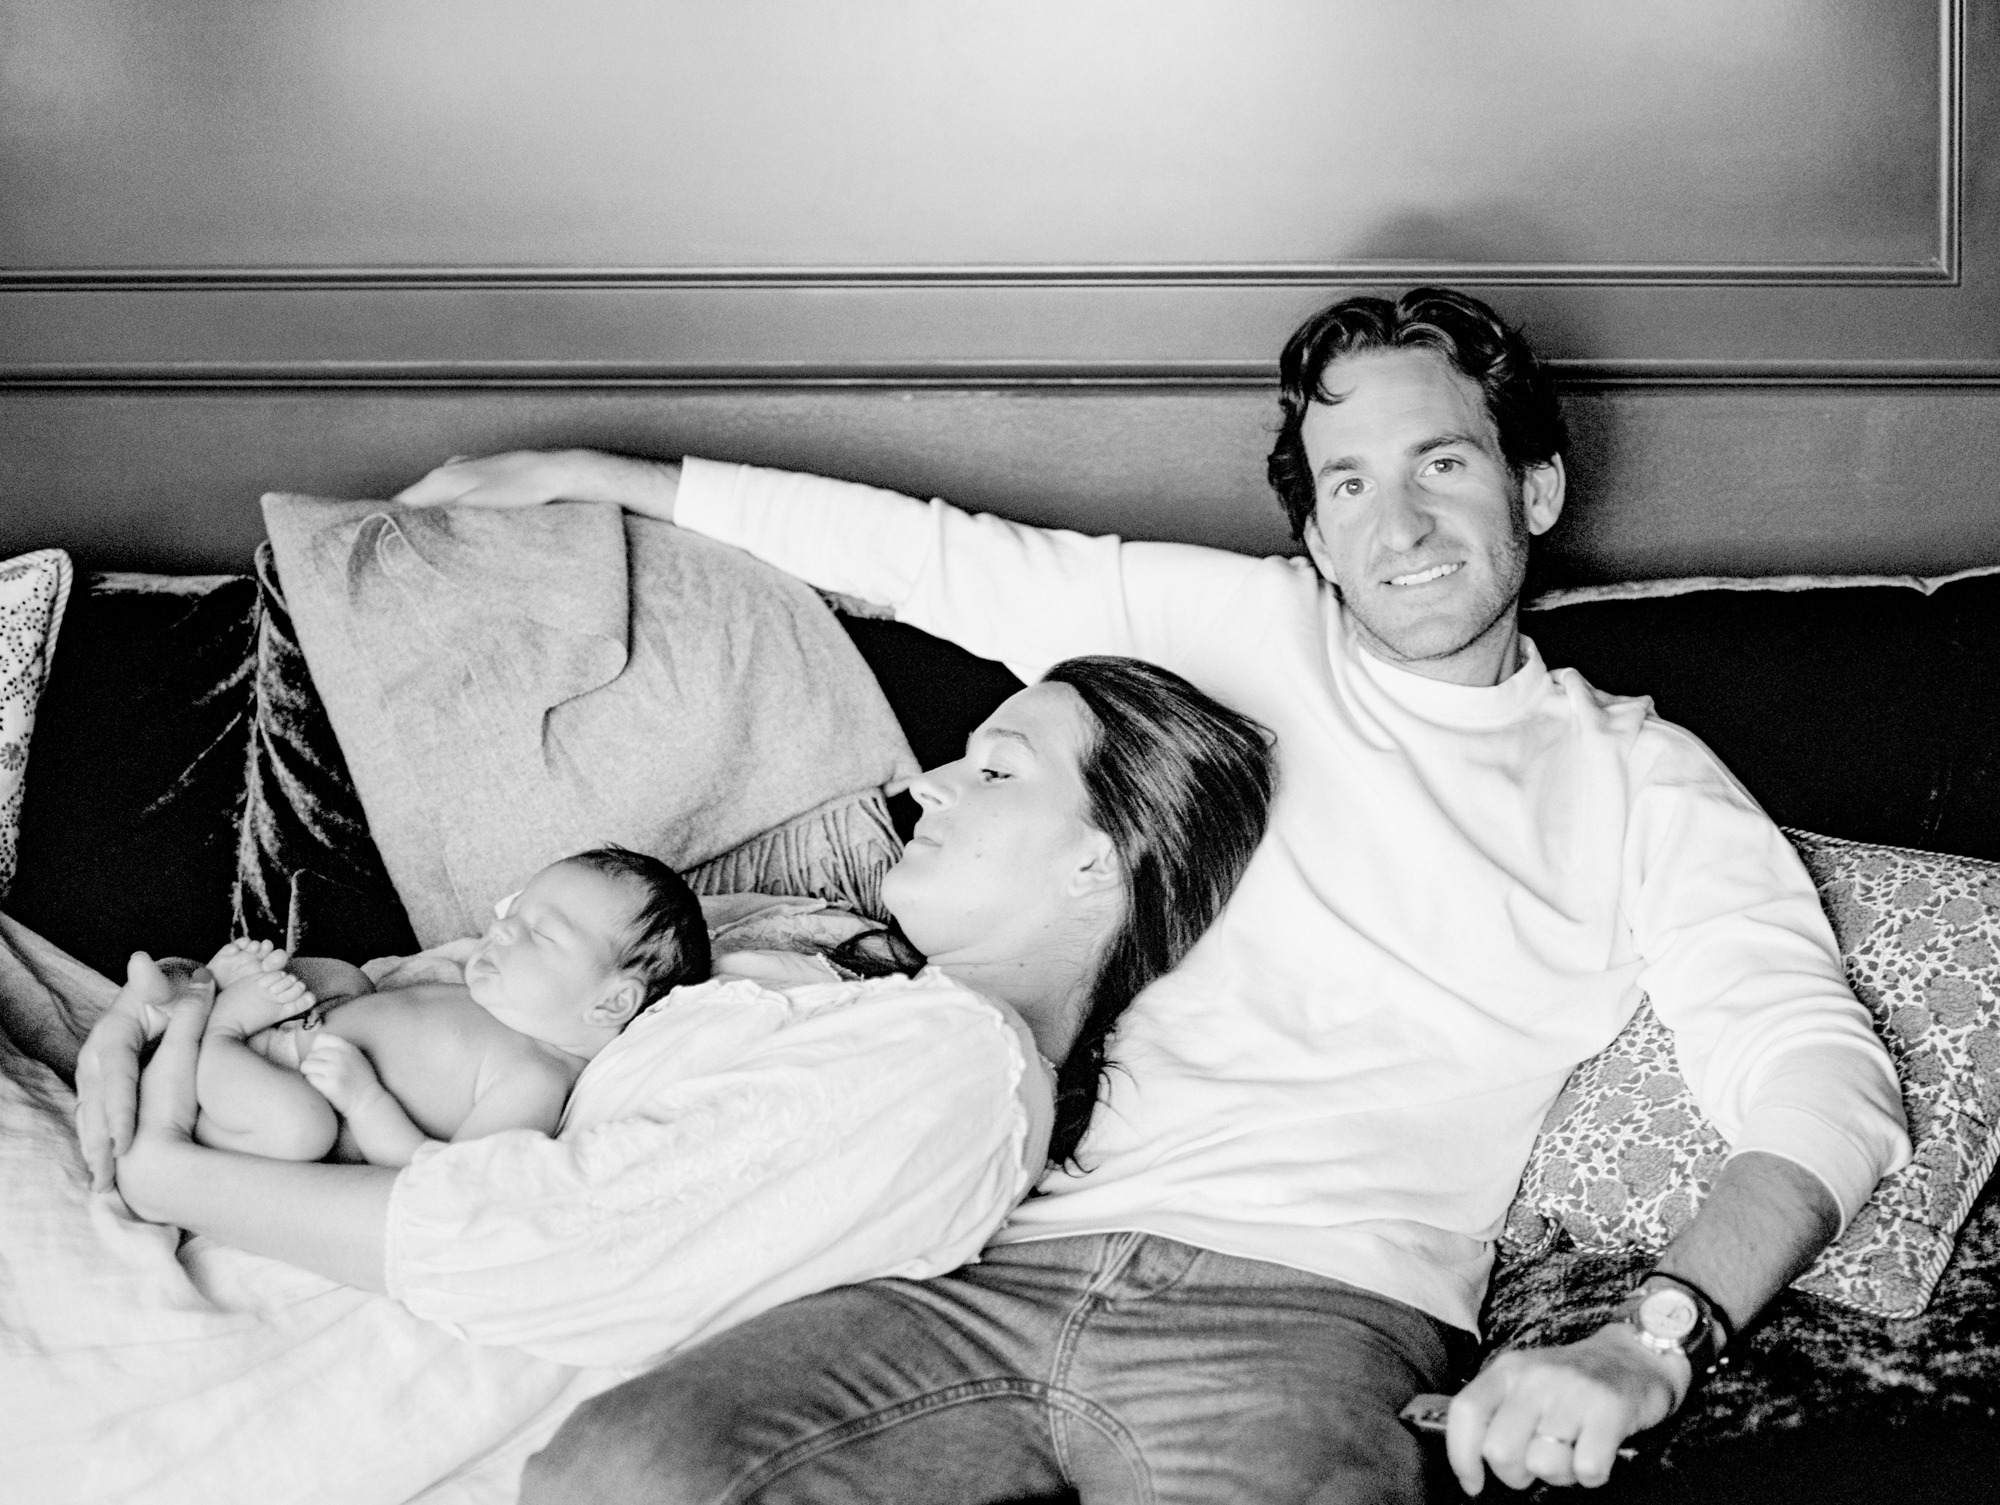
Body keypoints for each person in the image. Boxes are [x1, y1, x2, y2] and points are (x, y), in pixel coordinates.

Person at [392, 285, 1913, 1502]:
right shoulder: (1239, 624)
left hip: (1317, 1315)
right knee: (613, 1468)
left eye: (1443, 464)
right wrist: (593, 475)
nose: (1397, 524)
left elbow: (1819, 1080)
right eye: (1348, 483)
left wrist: (1650, 1341)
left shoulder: (1643, 779)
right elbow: (930, 559)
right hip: (986, 1262)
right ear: (1311, 530)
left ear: (1536, 484)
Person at [64, 654, 1274, 1495]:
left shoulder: (954, 1068)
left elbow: (549, 1242)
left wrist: (170, 1164)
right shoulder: (815, 962)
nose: (930, 783)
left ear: (1096, 864)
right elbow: (441, 986)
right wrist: (168, 1017)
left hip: (289, 1322)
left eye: (997, 770)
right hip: (232, 1175)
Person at [191, 846, 709, 1167]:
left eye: (542, 932)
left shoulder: (538, 1077)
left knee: (301, 1129)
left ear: (612, 1002)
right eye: (514, 911)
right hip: (294, 1022)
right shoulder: (489, 997)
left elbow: (448, 1175)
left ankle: (218, 1031)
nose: (501, 927)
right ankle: (210, 990)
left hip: (283, 1088)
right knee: (348, 977)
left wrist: (367, 1102)